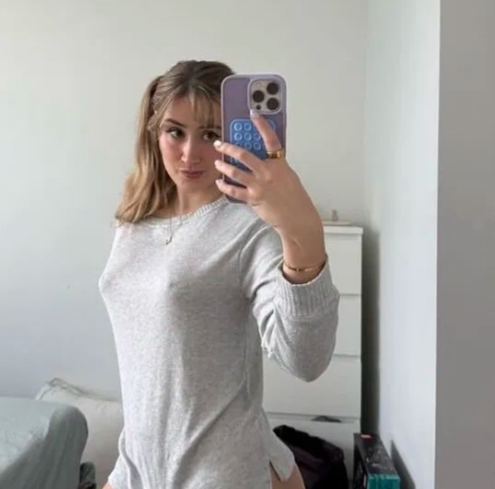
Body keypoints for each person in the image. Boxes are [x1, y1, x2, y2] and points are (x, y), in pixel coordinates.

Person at [99, 60, 340, 489]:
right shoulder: (132, 222)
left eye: (210, 135)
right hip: (137, 465)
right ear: (154, 132)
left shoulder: (249, 227)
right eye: (175, 132)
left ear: (230, 136)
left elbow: (305, 360)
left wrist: (302, 231)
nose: (190, 154)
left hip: (222, 471)